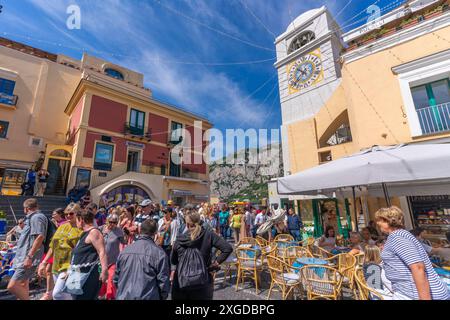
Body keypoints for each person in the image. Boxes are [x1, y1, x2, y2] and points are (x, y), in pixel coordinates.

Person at [375, 206, 449, 300]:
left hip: (413, 294)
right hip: (409, 292)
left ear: (387, 220)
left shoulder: (398, 237)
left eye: (379, 220)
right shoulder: (400, 235)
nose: (377, 223)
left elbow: (418, 267)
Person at [171, 211, 233, 300]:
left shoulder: (180, 239)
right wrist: (216, 262)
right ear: (200, 222)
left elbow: (173, 260)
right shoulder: (209, 235)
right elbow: (227, 248)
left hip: (182, 282)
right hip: (203, 280)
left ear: (187, 225)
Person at [114, 219, 170, 300]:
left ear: (140, 230)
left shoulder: (125, 251)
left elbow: (116, 279)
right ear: (155, 233)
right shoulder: (159, 254)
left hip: (124, 296)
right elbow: (163, 283)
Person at [38, 203, 83, 300]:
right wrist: (44, 262)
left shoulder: (82, 229)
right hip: (57, 265)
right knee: (69, 295)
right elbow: (52, 245)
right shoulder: (62, 226)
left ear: (78, 214)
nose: (68, 216)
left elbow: (82, 251)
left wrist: (73, 269)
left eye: (71, 214)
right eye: (66, 213)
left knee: (57, 294)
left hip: (71, 267)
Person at [7, 199, 48, 300]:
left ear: (26, 209)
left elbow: (40, 237)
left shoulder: (36, 217)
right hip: (23, 257)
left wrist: (29, 257)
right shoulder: (32, 218)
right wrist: (17, 258)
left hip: (28, 257)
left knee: (12, 286)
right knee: (23, 283)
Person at [69, 209, 108, 300]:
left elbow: (102, 251)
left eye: (77, 220)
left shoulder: (94, 232)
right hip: (77, 272)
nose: (76, 223)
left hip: (88, 274)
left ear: (81, 220)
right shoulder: (84, 233)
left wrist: (104, 270)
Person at [39, 208, 67, 300]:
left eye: (54, 214)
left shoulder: (64, 224)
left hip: (57, 252)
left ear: (60, 214)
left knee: (48, 271)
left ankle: (49, 292)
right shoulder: (58, 223)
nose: (52, 215)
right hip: (52, 250)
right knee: (48, 272)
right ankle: (50, 291)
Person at [99, 214, 126, 300]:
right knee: (102, 281)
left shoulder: (119, 231)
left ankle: (111, 297)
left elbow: (124, 241)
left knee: (111, 280)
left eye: (115, 222)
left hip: (113, 261)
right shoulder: (101, 229)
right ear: (107, 221)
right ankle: (101, 295)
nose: (112, 224)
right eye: (110, 222)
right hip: (101, 261)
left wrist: (127, 234)